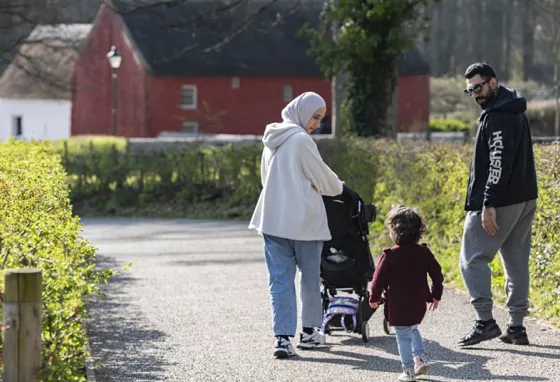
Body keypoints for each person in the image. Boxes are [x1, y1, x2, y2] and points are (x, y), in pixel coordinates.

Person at [248, 92, 344, 359]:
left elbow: (266, 180)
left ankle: (282, 338)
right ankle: (310, 332)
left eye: (320, 119)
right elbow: (328, 183)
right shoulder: (302, 141)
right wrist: (339, 187)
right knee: (310, 281)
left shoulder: (271, 140)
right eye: (315, 117)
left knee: (280, 281)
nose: (316, 124)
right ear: (302, 112)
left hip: (272, 221)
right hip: (305, 223)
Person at [458, 63, 538, 347]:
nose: (475, 95)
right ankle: (516, 327)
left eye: (478, 88)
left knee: (472, 258)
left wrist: (489, 201)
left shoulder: (499, 116)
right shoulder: (512, 108)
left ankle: (485, 322)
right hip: (525, 197)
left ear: (492, 82)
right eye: (470, 91)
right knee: (516, 261)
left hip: (502, 199)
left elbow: (498, 160)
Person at [369, 205, 444, 382]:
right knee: (413, 327)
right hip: (418, 303)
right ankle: (421, 358)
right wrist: (436, 294)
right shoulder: (424, 252)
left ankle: (408, 370)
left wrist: (374, 297)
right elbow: (437, 274)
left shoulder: (390, 255)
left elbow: (377, 279)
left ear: (395, 231)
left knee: (402, 335)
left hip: (398, 303)